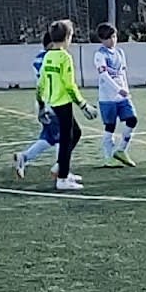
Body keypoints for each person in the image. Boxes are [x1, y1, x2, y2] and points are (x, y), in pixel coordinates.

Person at [37, 19, 97, 192]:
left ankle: (61, 167)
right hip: (62, 102)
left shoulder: (48, 56)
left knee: (75, 133)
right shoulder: (64, 57)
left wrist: (41, 105)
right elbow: (69, 85)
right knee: (66, 139)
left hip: (52, 102)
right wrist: (83, 105)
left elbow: (41, 83)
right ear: (67, 37)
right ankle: (62, 179)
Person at [13, 32, 61, 179]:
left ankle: (24, 157)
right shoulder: (51, 58)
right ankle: (61, 169)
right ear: (52, 44)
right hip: (52, 102)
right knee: (64, 136)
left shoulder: (39, 57)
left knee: (48, 138)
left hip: (43, 101)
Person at [94, 23, 138, 168]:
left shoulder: (120, 53)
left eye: (114, 37)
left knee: (132, 119)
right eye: (108, 38)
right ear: (102, 39)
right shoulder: (100, 55)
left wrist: (125, 89)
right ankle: (108, 158)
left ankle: (121, 150)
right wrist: (118, 89)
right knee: (110, 126)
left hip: (122, 96)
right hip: (108, 97)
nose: (112, 40)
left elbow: (122, 73)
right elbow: (104, 75)